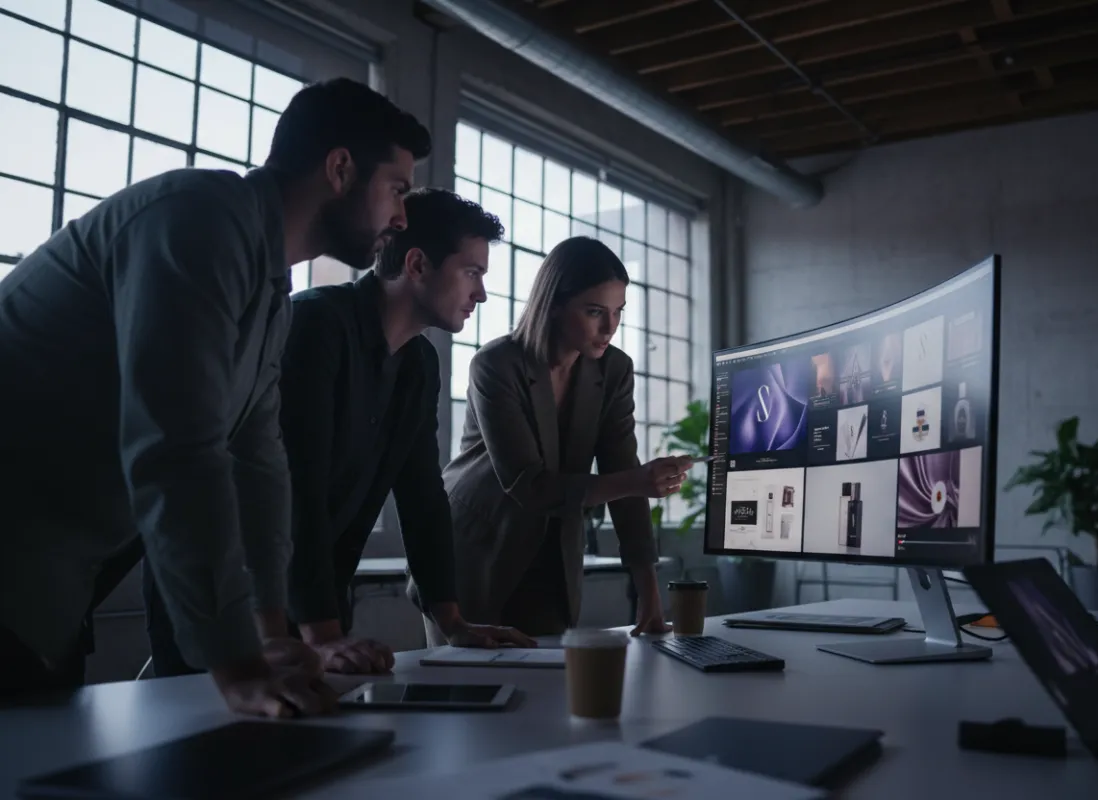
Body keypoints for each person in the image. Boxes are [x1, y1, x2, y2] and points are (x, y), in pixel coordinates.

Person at [0, 77, 428, 718]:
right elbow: (176, 450)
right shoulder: (200, 219)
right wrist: (237, 663)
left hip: (47, 587)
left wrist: (269, 633)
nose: (401, 217)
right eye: (397, 189)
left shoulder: (268, 284)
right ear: (340, 169)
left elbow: (258, 464)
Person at [144, 188, 537, 678]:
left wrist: (452, 620)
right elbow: (294, 486)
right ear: (416, 265)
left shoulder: (418, 363)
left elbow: (422, 495)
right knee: (202, 742)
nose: (480, 293)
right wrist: (322, 634)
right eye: (472, 272)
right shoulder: (315, 325)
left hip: (316, 601)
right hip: (227, 592)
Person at [435, 236, 693, 639]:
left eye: (618, 312)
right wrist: (636, 480)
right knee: (465, 693)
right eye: (594, 312)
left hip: (552, 559)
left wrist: (649, 596)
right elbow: (529, 485)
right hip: (475, 551)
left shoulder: (614, 371)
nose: (610, 327)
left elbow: (623, 472)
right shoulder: (496, 365)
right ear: (554, 305)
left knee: (551, 696)